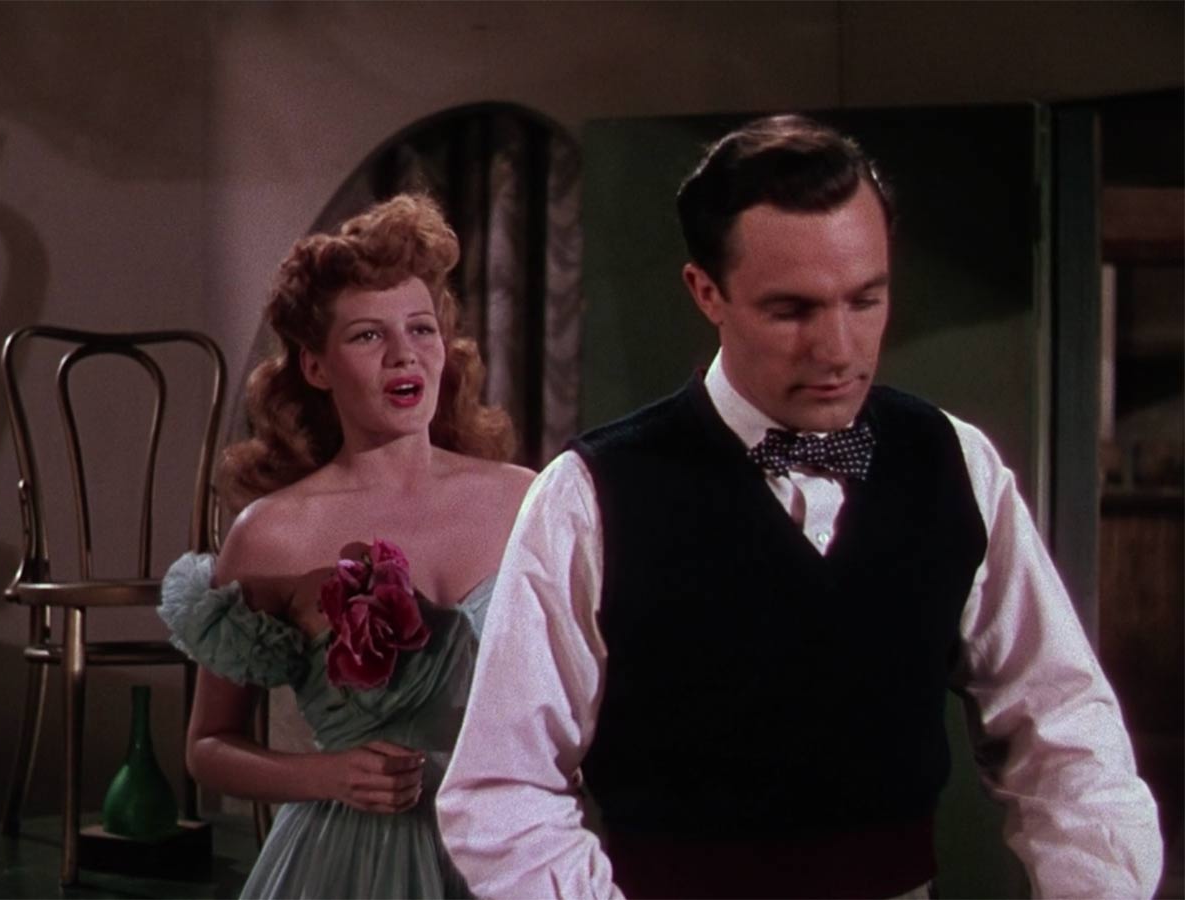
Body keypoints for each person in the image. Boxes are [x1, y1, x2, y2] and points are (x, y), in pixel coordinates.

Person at [436, 115, 1163, 899]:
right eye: (793, 311)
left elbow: (1063, 729)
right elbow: (502, 790)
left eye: (866, 300)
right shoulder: (588, 495)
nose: (839, 350)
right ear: (706, 292)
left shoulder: (956, 462)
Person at [158, 194, 534, 898]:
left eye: (421, 329)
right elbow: (208, 746)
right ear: (316, 367)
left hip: (501, 853)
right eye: (367, 336)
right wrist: (325, 775)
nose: (404, 354)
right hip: (350, 863)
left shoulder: (524, 501)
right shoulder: (274, 532)